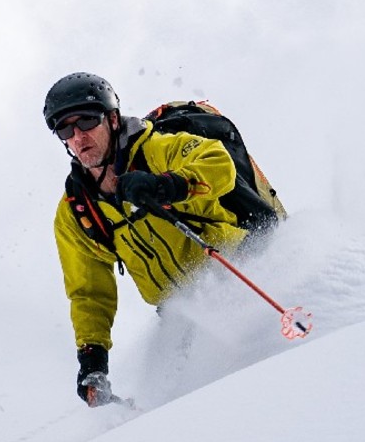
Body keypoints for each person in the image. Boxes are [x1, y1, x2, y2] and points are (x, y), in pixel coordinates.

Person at [43, 71, 283, 406]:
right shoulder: (76, 212)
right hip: (181, 313)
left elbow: (218, 163)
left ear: (112, 119)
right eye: (65, 129)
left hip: (243, 268)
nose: (78, 136)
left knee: (266, 375)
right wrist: (92, 361)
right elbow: (88, 293)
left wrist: (168, 185)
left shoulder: (157, 149)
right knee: (194, 403)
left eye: (86, 121)